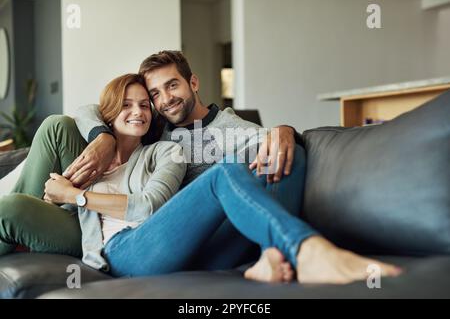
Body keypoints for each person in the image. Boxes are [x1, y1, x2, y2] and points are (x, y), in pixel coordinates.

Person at [0, 73, 401, 284]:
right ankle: (297, 251)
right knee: (10, 206)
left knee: (273, 158)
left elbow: (150, 207)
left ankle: (301, 251)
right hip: (111, 251)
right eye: (129, 104)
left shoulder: (164, 152)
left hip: (141, 241)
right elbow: (85, 111)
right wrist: (99, 142)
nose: (141, 110)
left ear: (192, 84)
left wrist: (77, 196)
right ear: (110, 112)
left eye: (146, 103)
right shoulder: (90, 155)